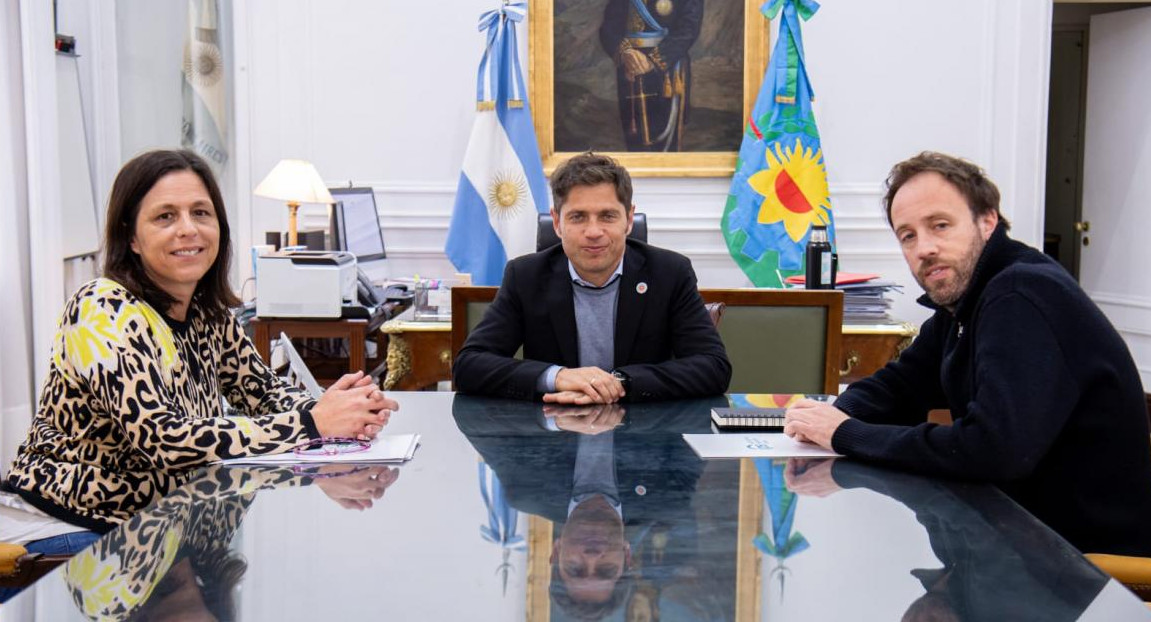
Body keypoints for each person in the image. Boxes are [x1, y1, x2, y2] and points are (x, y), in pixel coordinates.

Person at [1, 149, 397, 557]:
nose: (188, 229)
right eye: (165, 216)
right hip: (68, 523)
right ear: (131, 237)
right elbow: (162, 440)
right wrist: (314, 423)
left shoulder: (207, 312)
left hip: (156, 527)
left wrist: (342, 412)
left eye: (201, 213)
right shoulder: (102, 308)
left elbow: (264, 394)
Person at [782, 151, 1151, 556]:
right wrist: (835, 418)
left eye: (940, 225)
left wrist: (845, 432)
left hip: (1083, 567)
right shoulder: (967, 299)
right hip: (1015, 542)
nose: (924, 248)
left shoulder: (1020, 294)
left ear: (987, 221)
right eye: (908, 235)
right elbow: (900, 385)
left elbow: (992, 450)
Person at [453, 152, 730, 403]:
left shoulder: (669, 273)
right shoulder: (526, 276)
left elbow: (713, 367)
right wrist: (557, 377)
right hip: (552, 439)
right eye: (578, 217)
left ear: (629, 219)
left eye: (608, 216)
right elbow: (469, 366)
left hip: (645, 438)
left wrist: (620, 383)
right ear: (558, 222)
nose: (593, 231)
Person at [599, 0, 703, 151]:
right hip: (630, 68)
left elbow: (688, 29)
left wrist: (654, 60)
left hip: (667, 69)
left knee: (665, 145)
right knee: (634, 141)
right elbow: (608, 27)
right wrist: (624, 52)